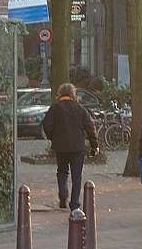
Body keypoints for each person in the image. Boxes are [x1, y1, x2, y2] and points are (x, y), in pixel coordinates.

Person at [41, 82, 99, 210]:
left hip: (60, 147)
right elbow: (90, 128)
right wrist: (94, 145)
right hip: (78, 148)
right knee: (76, 176)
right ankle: (74, 204)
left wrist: (53, 137)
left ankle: (63, 197)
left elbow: (46, 125)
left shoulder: (55, 108)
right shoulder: (80, 109)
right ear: (73, 94)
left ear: (60, 94)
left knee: (62, 171)